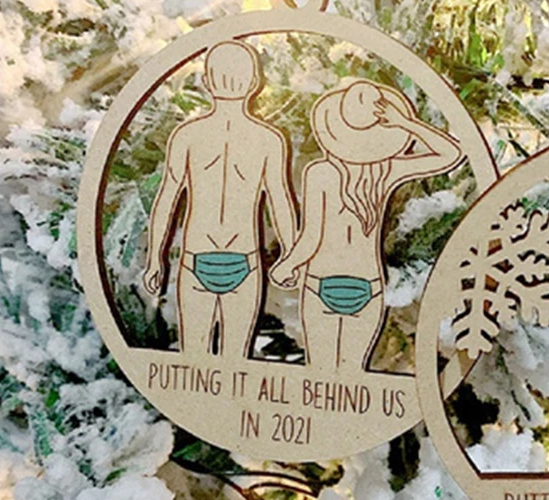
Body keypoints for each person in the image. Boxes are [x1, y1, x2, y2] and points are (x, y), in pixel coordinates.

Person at [270, 80, 462, 372]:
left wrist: (288, 265)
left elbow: (312, 237)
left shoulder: (322, 172)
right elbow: (450, 154)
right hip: (366, 284)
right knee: (352, 375)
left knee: (320, 373)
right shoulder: (385, 170)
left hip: (321, 281)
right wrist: (406, 123)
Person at [143, 40, 297, 358]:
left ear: (206, 82)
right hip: (233, 259)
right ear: (254, 82)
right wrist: (154, 259)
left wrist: (156, 259)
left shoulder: (191, 136)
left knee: (207, 359)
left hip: (210, 258)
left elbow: (166, 200)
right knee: (221, 360)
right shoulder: (265, 140)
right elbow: (280, 202)